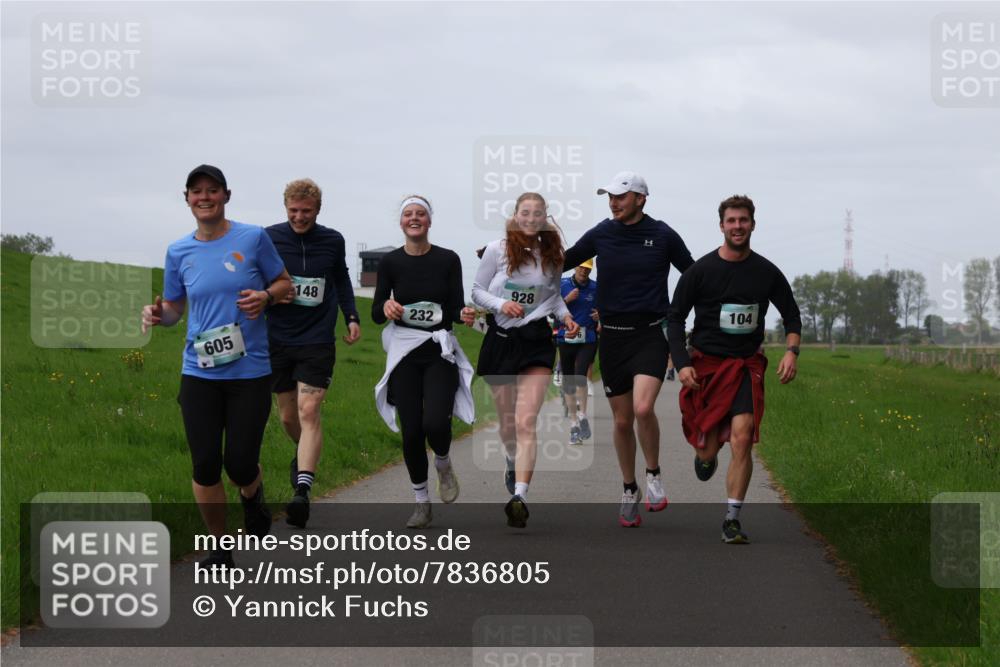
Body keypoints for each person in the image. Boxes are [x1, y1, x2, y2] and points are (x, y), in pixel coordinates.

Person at [141, 165, 291, 567]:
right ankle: (220, 546)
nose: (204, 197)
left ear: (226, 195)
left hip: (250, 372)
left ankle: (252, 493)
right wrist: (159, 314)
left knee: (240, 463)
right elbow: (174, 308)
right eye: (196, 192)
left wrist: (266, 296)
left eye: (212, 191)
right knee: (205, 464)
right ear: (186, 198)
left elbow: (285, 284)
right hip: (199, 371)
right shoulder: (179, 251)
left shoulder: (253, 238)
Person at [667, 194, 801, 544]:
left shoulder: (766, 271)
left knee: (743, 436)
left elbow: (791, 314)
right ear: (722, 225)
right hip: (706, 366)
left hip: (745, 366)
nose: (738, 226)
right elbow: (675, 316)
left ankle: (732, 519)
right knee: (707, 450)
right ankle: (706, 457)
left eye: (743, 220)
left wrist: (791, 352)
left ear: (753, 224)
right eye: (732, 221)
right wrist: (681, 364)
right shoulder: (701, 271)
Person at [563, 171, 694, 527]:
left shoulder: (663, 235)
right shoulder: (602, 233)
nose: (614, 202)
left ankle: (653, 473)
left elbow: (693, 274)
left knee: (642, 407)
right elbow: (565, 258)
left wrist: (680, 312)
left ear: (641, 198)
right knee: (622, 421)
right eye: (610, 196)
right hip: (613, 338)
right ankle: (628, 487)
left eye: (621, 196)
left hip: (650, 334)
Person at [473, 192, 579, 528]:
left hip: (536, 342)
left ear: (545, 218)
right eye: (525, 212)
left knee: (524, 421)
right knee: (507, 424)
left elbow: (554, 297)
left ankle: (520, 495)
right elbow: (476, 291)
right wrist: (501, 305)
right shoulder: (497, 249)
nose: (531, 218)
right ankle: (510, 459)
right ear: (516, 215)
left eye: (537, 213)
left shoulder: (553, 255)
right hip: (502, 342)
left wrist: (566, 318)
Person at [372, 195, 476, 529]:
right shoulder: (390, 262)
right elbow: (376, 312)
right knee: (412, 431)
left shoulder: (448, 259)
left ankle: (443, 463)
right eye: (408, 214)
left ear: (429, 221)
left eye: (420, 214)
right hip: (404, 352)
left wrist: (465, 313)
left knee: (435, 423)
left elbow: (457, 307)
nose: (414, 219)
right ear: (401, 222)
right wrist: (387, 308)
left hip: (438, 351)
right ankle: (421, 501)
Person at [265, 178, 361, 529]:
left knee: (309, 409)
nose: (299, 217)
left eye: (306, 211)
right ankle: (304, 454)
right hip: (277, 337)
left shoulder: (332, 240)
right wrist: (272, 292)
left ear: (318, 210)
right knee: (289, 417)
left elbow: (341, 279)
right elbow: (255, 277)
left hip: (317, 338)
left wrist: (351, 316)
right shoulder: (269, 238)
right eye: (293, 211)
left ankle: (301, 491)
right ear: (285, 207)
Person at [556, 258, 599, 444]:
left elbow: (605, 307)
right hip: (565, 336)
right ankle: (574, 424)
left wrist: (601, 315)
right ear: (575, 267)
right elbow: (551, 310)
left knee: (580, 375)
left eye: (588, 269)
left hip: (587, 337)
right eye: (582, 268)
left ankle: (582, 415)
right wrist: (566, 300)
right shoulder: (562, 284)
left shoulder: (596, 287)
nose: (584, 272)